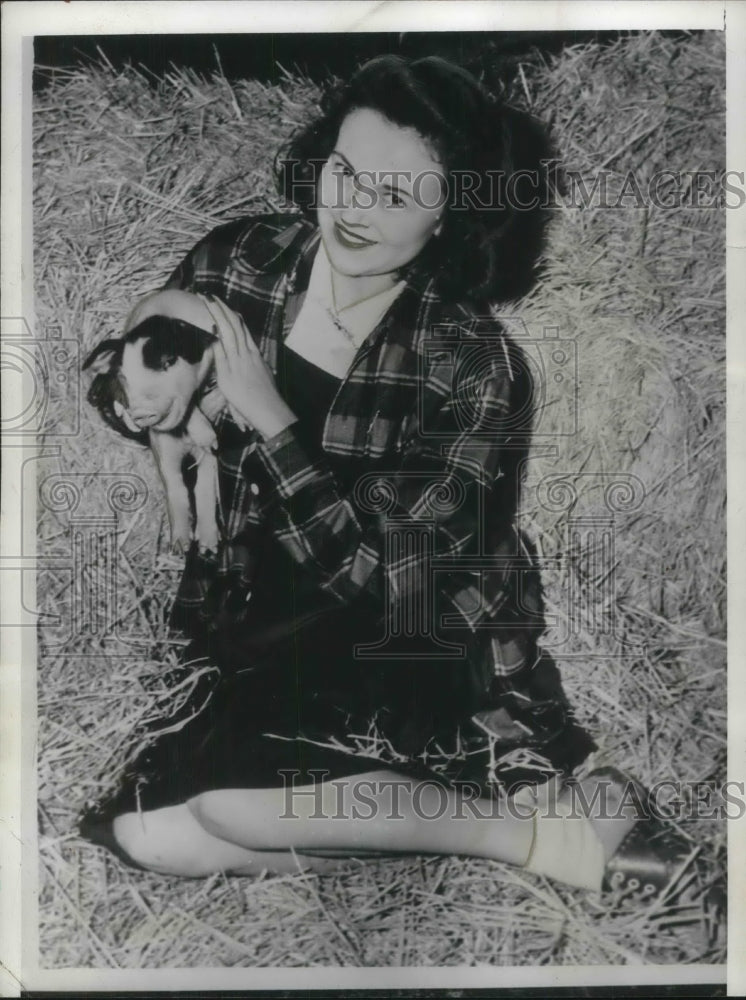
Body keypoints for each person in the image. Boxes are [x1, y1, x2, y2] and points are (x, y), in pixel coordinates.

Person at [79, 55, 690, 896]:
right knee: (148, 835)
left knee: (230, 801)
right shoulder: (239, 261)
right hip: (260, 606)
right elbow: (131, 389)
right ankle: (473, 829)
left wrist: (270, 420)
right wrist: (150, 401)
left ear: (455, 218)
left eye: (397, 196)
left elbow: (386, 582)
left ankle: (542, 842)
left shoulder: (476, 363)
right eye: (344, 170)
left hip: (403, 627)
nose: (353, 209)